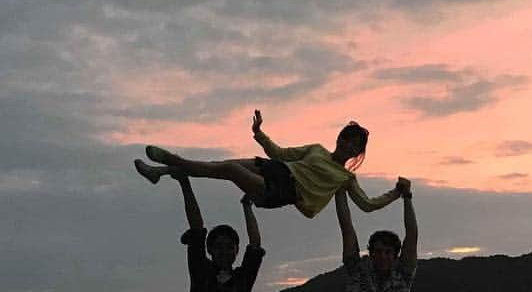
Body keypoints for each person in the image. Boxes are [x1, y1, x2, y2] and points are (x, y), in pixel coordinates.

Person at [133, 109, 402, 219]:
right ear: (339, 137)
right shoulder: (317, 150)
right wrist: (260, 132)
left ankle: (171, 160)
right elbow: (280, 153)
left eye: (355, 144)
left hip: (284, 190)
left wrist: (397, 193)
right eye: (346, 138)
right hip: (276, 169)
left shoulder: (345, 179)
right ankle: (160, 171)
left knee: (227, 170)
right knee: (219, 164)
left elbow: (367, 205)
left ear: (358, 152)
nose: (348, 144)